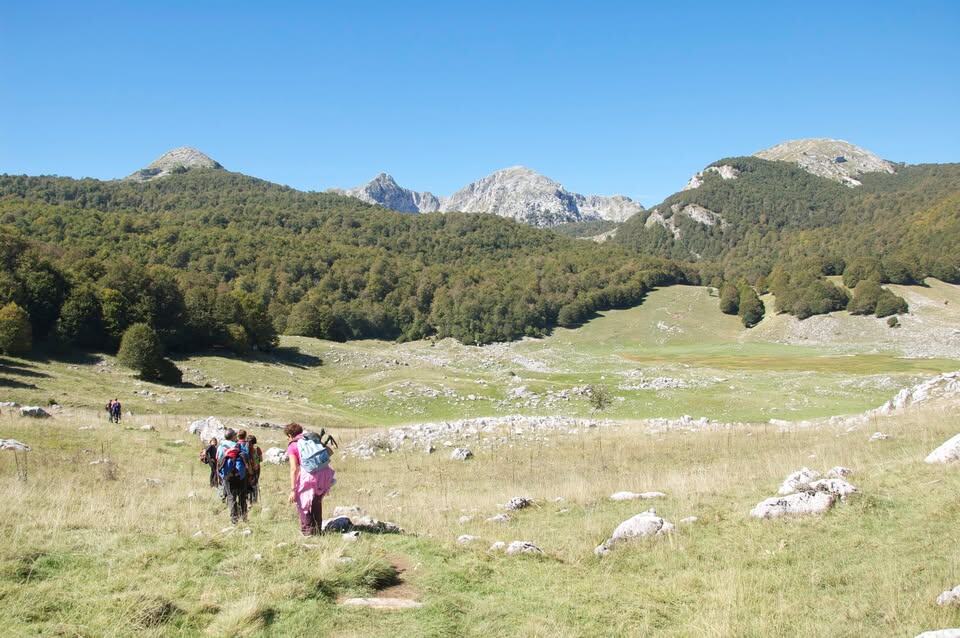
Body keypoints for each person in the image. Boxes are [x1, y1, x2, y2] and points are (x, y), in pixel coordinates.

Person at [285, 422, 336, 536]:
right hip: (324, 474)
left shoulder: (293, 446)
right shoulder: (311, 439)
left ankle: (307, 532)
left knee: (304, 504)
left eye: (287, 437)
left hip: (308, 476)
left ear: (289, 435)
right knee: (316, 502)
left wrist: (293, 490)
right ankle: (317, 531)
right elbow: (330, 452)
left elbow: (294, 468)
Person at [217, 429, 250, 524]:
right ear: (233, 437)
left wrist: (220, 475)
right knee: (242, 496)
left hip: (228, 475)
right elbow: (246, 457)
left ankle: (234, 520)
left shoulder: (221, 447)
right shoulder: (238, 445)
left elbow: (218, 460)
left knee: (231, 496)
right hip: (240, 475)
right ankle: (244, 517)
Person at [246, 435, 263, 505]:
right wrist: (256, 462)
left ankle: (248, 501)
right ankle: (254, 500)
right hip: (256, 469)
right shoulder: (257, 448)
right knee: (255, 484)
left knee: (248, 484)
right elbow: (261, 459)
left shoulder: (245, 448)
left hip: (247, 469)